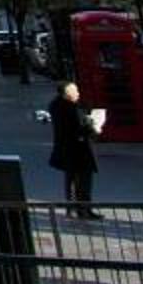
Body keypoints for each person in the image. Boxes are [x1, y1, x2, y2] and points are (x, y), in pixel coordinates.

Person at [48, 80, 103, 218]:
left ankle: (72, 208)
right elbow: (78, 129)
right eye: (75, 91)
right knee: (83, 181)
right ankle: (84, 209)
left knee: (71, 179)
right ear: (67, 93)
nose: (78, 93)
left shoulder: (56, 106)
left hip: (66, 149)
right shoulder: (71, 109)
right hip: (79, 150)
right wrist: (94, 128)